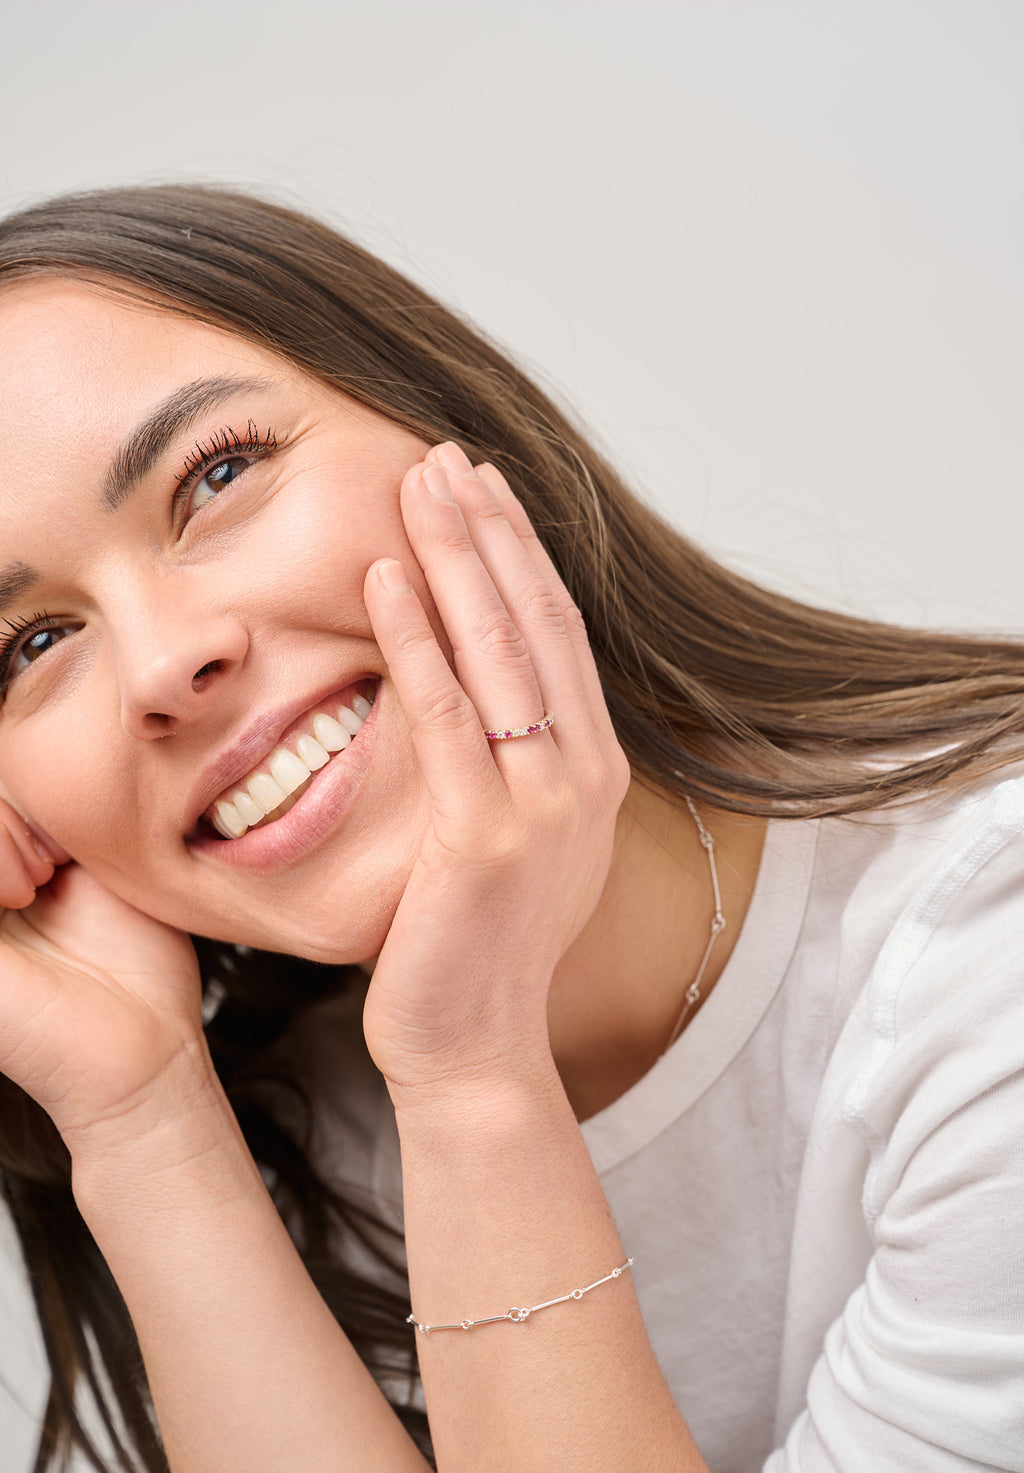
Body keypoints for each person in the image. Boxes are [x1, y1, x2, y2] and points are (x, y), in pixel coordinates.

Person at [0, 184, 1021, 1473]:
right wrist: (143, 1122)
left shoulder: (992, 948)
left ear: (457, 426)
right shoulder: (293, 1136)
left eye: (217, 474)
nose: (161, 664)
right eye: (32, 644)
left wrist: (474, 1076)